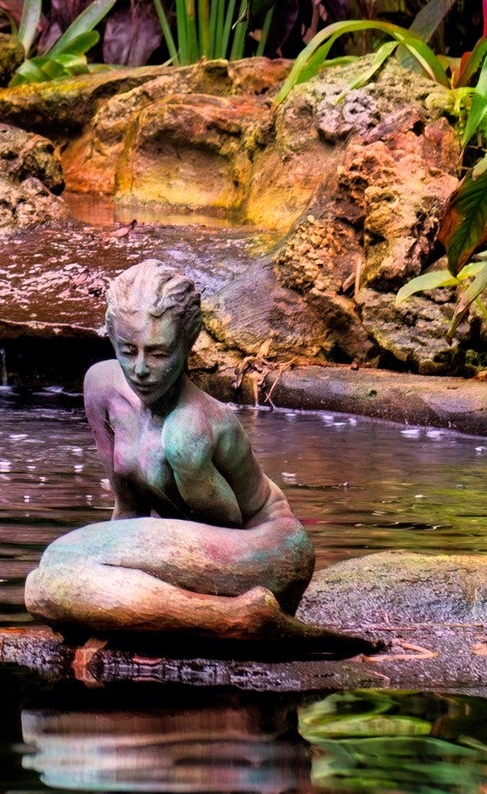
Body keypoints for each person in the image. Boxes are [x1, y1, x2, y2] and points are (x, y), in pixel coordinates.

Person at [22, 258, 336, 661]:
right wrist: (113, 569)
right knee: (47, 578)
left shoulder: (190, 428)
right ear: (111, 337)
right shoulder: (101, 386)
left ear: (188, 342)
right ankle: (226, 618)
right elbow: (129, 509)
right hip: (187, 546)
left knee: (64, 561)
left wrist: (115, 566)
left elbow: (223, 527)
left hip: (264, 547)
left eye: (157, 353)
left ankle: (232, 617)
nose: (139, 369)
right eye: (127, 349)